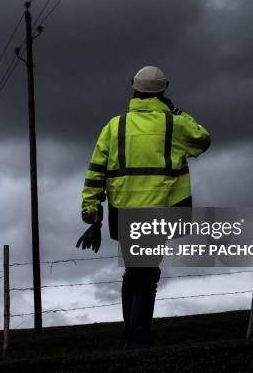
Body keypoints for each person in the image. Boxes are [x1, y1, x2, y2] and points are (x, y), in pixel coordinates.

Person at [78, 65, 210, 349]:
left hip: (123, 211)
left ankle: (133, 339)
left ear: (133, 88)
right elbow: (202, 140)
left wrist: (91, 210)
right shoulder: (174, 124)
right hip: (159, 210)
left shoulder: (114, 126)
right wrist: (177, 113)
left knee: (134, 273)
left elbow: (95, 171)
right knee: (146, 275)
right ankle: (137, 342)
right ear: (165, 90)